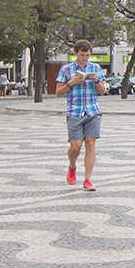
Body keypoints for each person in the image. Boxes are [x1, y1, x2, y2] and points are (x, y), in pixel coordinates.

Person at [56, 38, 106, 191]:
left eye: (87, 55)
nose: (85, 58)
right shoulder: (66, 69)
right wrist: (71, 83)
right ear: (75, 53)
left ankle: (87, 179)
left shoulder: (95, 68)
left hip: (93, 110)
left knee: (91, 143)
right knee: (75, 147)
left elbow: (103, 92)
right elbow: (58, 93)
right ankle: (72, 166)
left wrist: (97, 81)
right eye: (82, 55)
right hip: (75, 111)